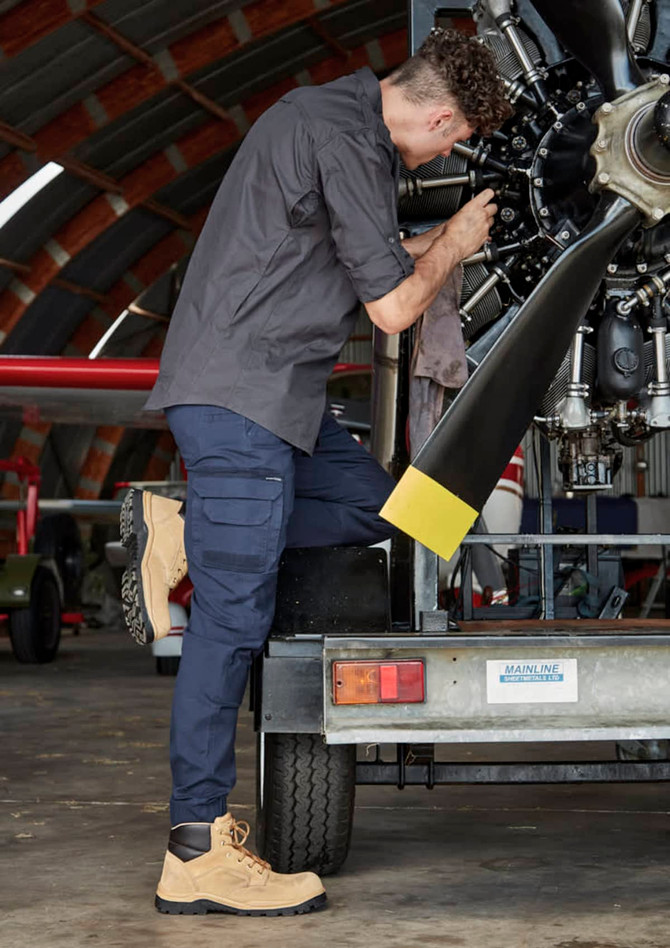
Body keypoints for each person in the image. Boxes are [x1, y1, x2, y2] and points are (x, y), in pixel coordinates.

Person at [121, 27, 510, 917]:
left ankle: (185, 528)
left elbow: (376, 265)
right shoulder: (344, 140)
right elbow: (394, 306)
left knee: (394, 512)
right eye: (450, 141)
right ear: (441, 116)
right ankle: (193, 849)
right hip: (243, 397)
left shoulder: (338, 120)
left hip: (281, 401)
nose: (443, 154)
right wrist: (452, 240)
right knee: (234, 616)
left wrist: (448, 246)